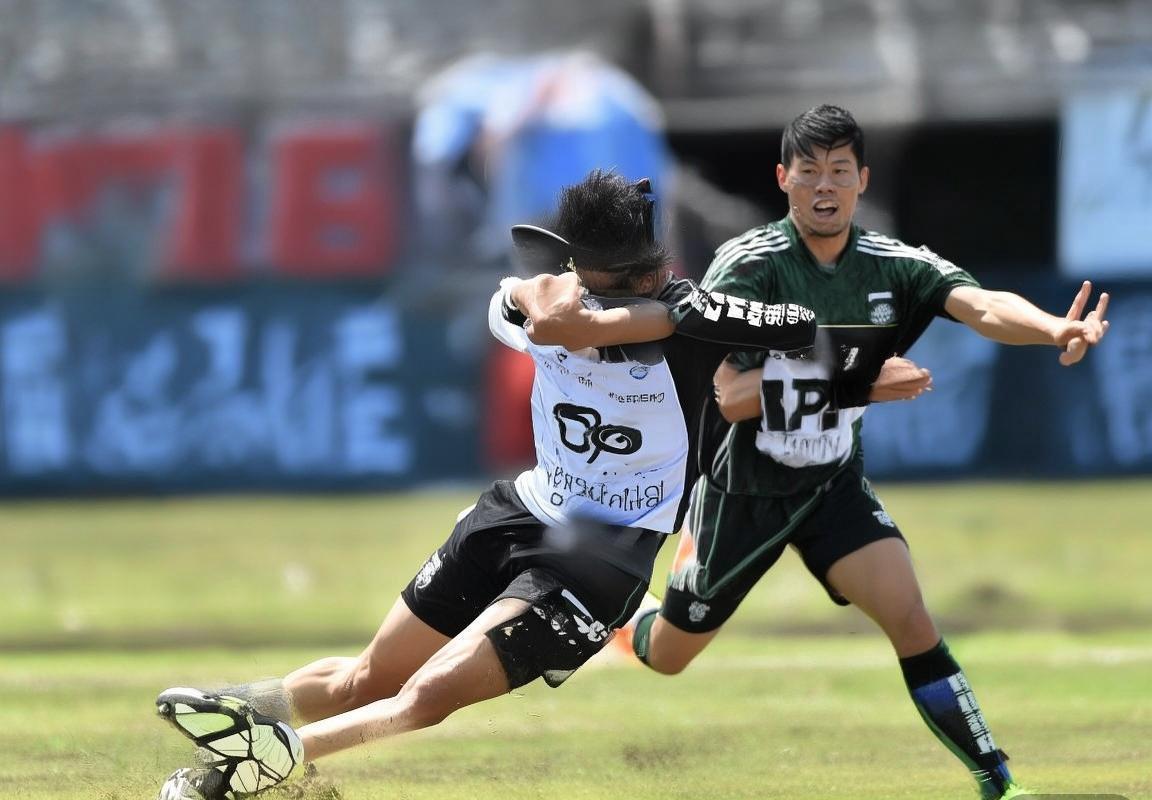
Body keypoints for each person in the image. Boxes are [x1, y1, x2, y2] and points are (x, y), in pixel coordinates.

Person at [151, 168, 830, 800]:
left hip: (600, 560)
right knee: (369, 677)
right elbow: (521, 298)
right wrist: (562, 303)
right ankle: (243, 712)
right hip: (516, 514)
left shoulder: (689, 326)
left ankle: (262, 764)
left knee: (426, 696)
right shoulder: (535, 307)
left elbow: (799, 326)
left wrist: (629, 315)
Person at [619, 105, 1110, 800]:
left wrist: (1054, 327)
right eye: (810, 171)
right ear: (783, 179)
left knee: (910, 617)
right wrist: (860, 381)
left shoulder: (892, 265)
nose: (825, 186)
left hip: (831, 485)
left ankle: (999, 783)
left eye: (840, 171)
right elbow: (731, 396)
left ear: (862, 180)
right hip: (744, 488)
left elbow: (980, 305)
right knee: (669, 654)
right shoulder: (749, 267)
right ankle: (622, 615)